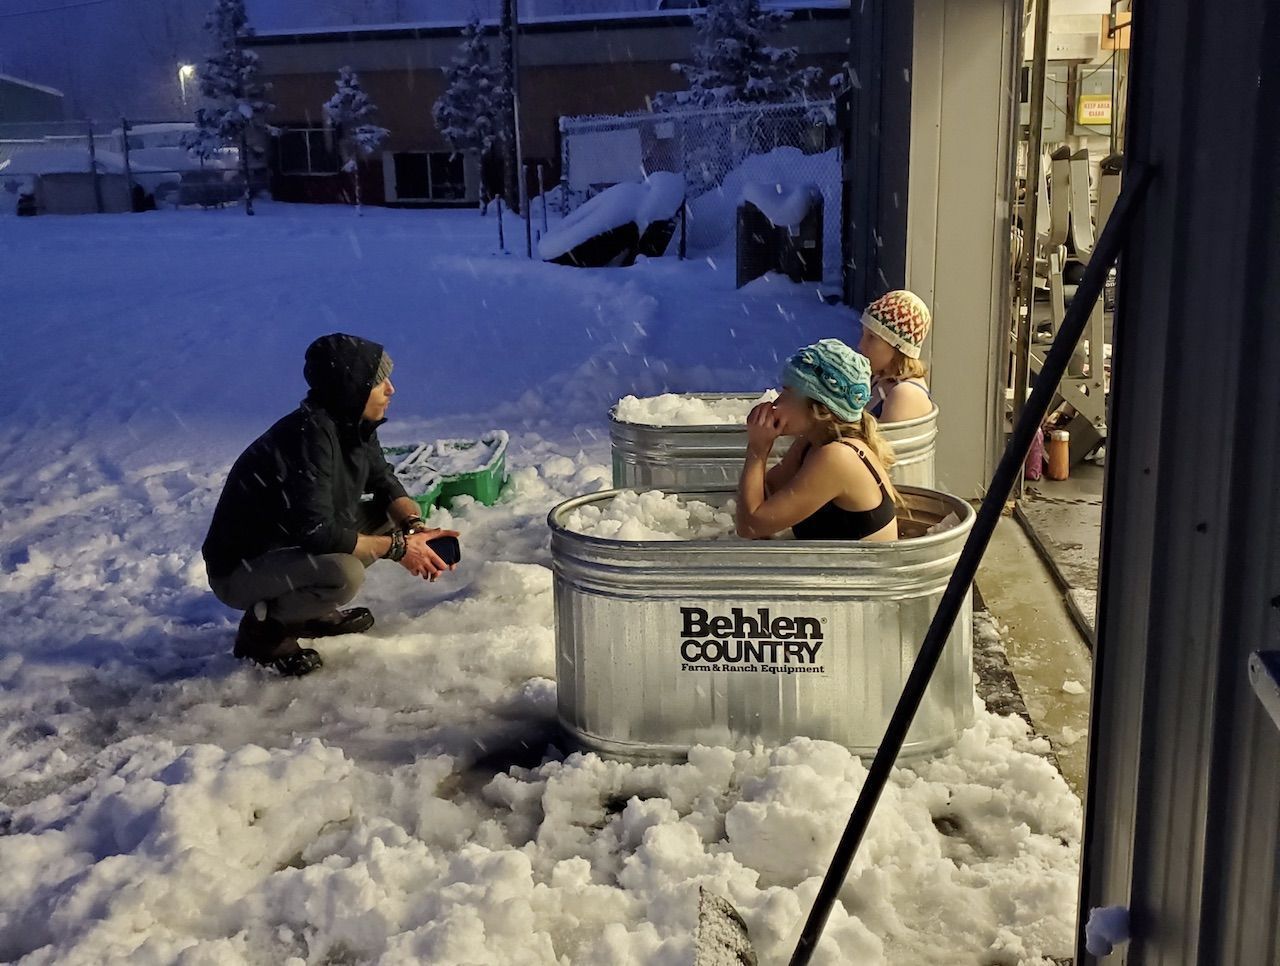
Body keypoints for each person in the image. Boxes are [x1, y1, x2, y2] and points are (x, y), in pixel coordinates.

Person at [202, 333, 459, 677]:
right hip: (241, 568)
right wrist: (399, 549)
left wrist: (412, 527)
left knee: (387, 520)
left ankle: (309, 610)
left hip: (289, 542)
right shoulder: (310, 439)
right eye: (379, 381)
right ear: (352, 388)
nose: (391, 390)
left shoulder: (351, 424)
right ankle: (264, 633)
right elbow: (316, 533)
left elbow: (384, 482)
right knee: (343, 572)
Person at [736, 338, 902, 542]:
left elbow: (751, 526)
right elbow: (768, 491)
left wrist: (757, 450)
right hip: (836, 571)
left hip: (865, 572)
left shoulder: (838, 457)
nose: (776, 403)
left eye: (787, 393)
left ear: (818, 408)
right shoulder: (812, 441)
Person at [856, 289, 934, 423]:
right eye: (863, 335)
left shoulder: (905, 394)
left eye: (872, 337)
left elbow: (877, 444)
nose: (861, 345)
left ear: (898, 347)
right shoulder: (882, 379)